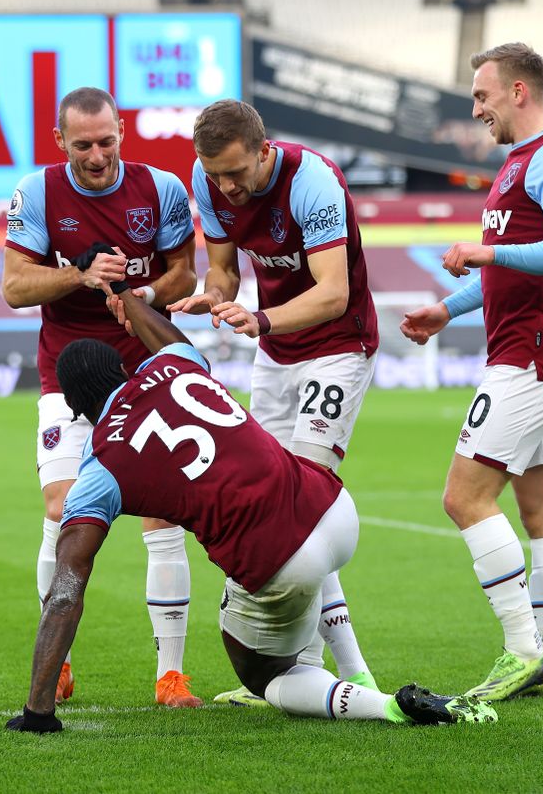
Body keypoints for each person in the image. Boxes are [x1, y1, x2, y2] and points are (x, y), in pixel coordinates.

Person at [5, 286, 498, 732]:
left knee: (268, 675)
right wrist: (130, 301)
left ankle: (384, 705)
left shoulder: (99, 466)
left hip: (280, 559)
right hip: (334, 507)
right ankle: (357, 669)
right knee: (300, 535)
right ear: (122, 368)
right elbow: (169, 337)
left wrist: (37, 711)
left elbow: (67, 590)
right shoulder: (173, 364)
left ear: (73, 409)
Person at [399, 43, 543, 700]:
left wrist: (485, 250)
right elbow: (510, 269)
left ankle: (521, 650)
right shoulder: (519, 162)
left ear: (519, 91)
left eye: (483, 96)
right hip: (537, 352)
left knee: (464, 497)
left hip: (532, 356)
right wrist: (446, 308)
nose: (476, 110)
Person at [167, 99, 380, 705]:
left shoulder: (313, 181)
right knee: (272, 511)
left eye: (237, 173)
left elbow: (334, 294)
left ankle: (349, 670)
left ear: (264, 151)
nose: (227, 187)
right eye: (215, 176)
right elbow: (224, 272)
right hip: (277, 356)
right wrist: (212, 298)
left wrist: (260, 319)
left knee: (301, 509)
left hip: (338, 347)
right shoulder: (208, 183)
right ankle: (303, 670)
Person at [0, 87, 201, 708]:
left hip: (146, 371)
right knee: (63, 510)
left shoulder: (161, 188)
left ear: (121, 133)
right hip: (66, 376)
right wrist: (79, 275)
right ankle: (56, 664)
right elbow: (13, 287)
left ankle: (171, 676)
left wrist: (139, 296)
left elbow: (185, 273)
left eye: (107, 141)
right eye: (82, 144)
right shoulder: (36, 193)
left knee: (162, 515)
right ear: (61, 142)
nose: (96, 155)